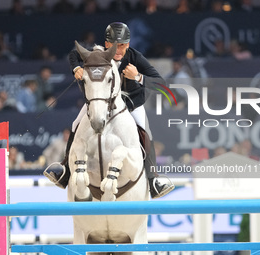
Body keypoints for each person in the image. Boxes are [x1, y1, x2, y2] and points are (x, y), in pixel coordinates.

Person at [45, 22, 175, 199]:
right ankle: (65, 170)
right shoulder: (97, 54)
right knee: (76, 124)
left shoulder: (135, 57)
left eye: (123, 45)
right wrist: (76, 68)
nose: (119, 50)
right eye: (115, 45)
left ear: (128, 44)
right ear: (107, 44)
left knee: (145, 131)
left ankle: (153, 180)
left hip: (130, 105)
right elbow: (74, 54)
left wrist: (138, 76)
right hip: (101, 104)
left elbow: (162, 85)